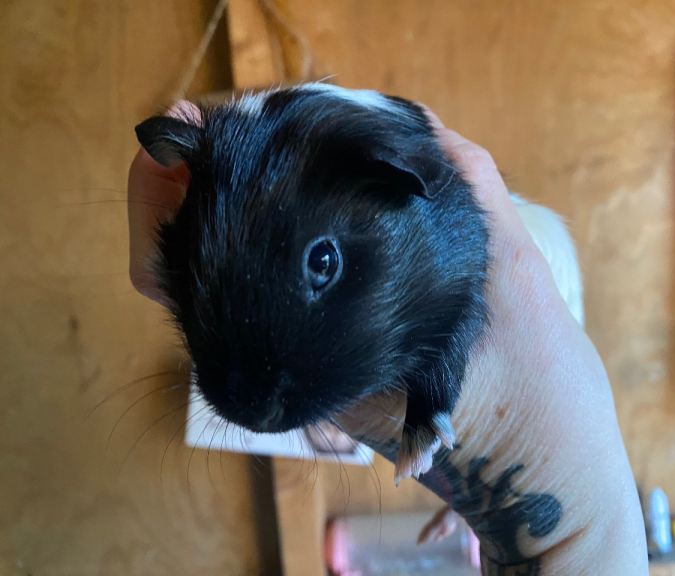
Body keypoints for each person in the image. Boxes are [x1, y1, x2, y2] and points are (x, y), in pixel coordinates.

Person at [128, 103, 648, 575]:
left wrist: (435, 404)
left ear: (395, 178)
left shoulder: (425, 197)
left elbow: (459, 251)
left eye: (322, 265)